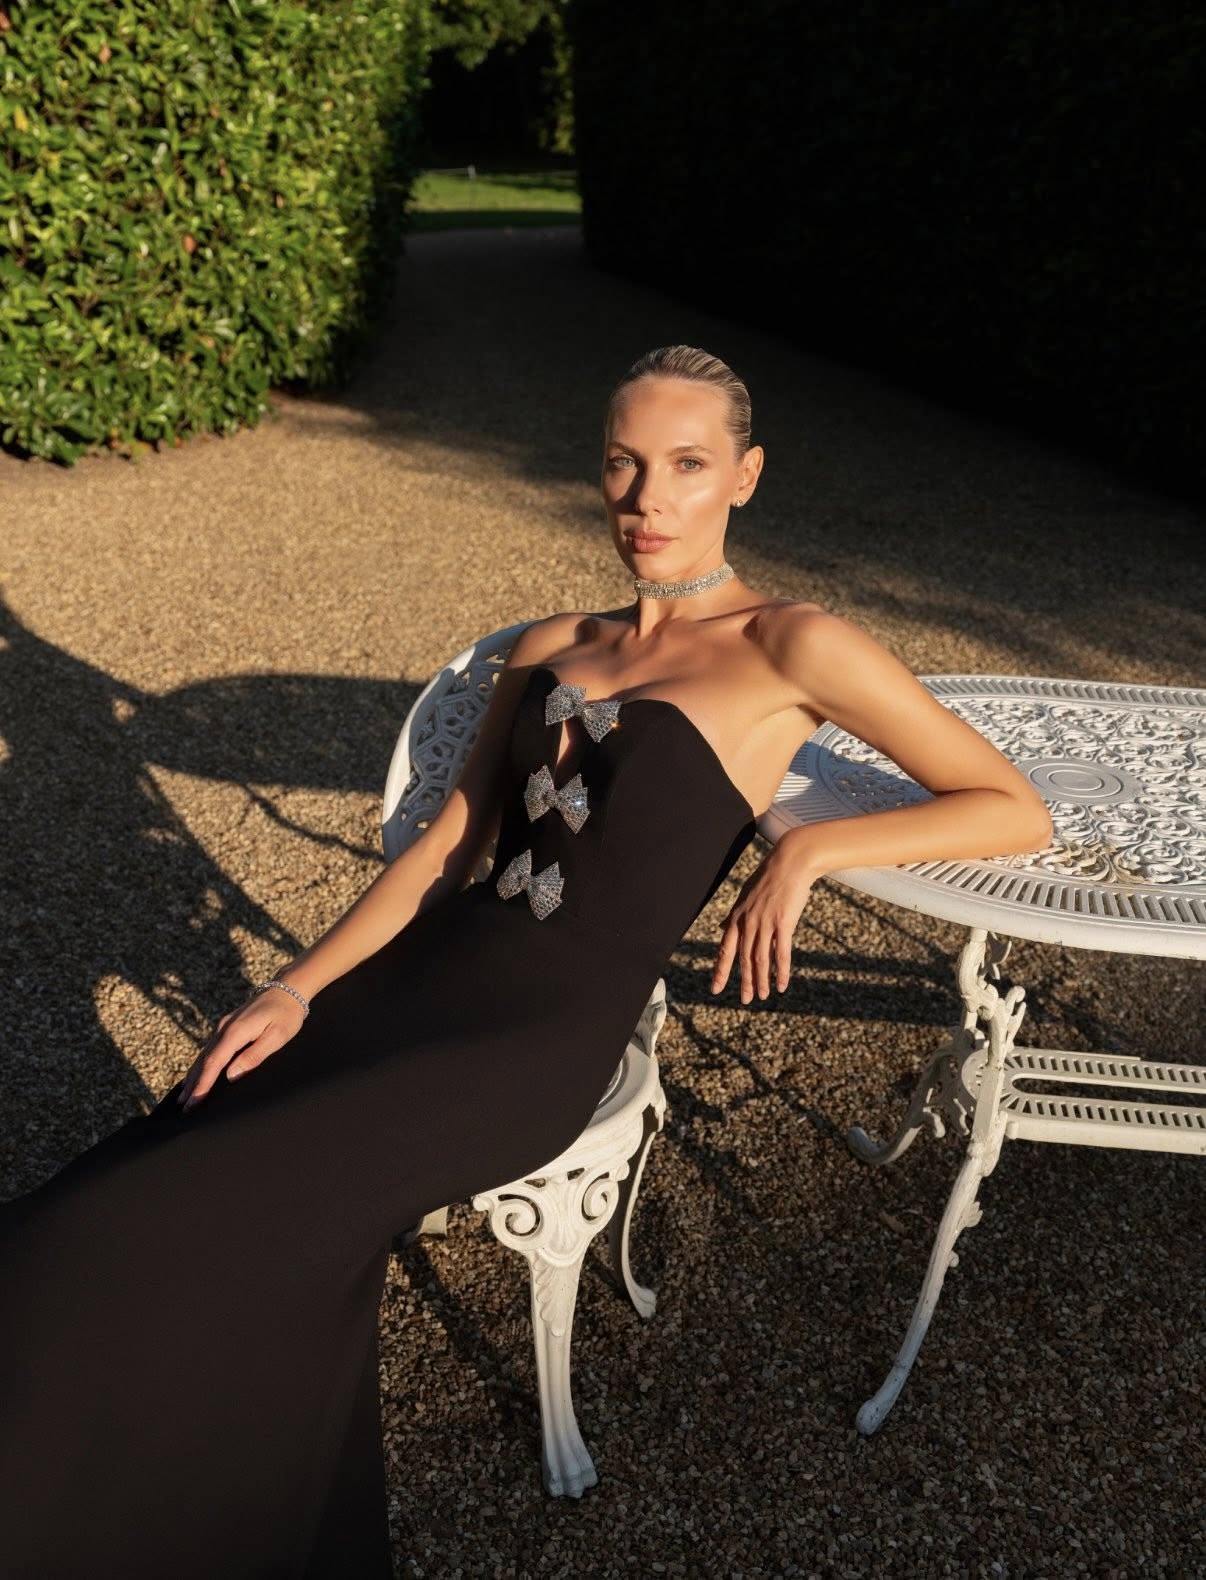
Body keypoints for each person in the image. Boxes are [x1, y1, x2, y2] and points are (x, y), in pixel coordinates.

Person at [0, 344, 1053, 1577]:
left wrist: (809, 848)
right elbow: (445, 850)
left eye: (687, 465)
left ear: (746, 475)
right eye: (622, 463)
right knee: (125, 1191)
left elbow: (1011, 806)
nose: (646, 498)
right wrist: (294, 987)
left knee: (133, 1227)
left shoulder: (793, 644)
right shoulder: (555, 640)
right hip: (409, 983)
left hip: (531, 1039)